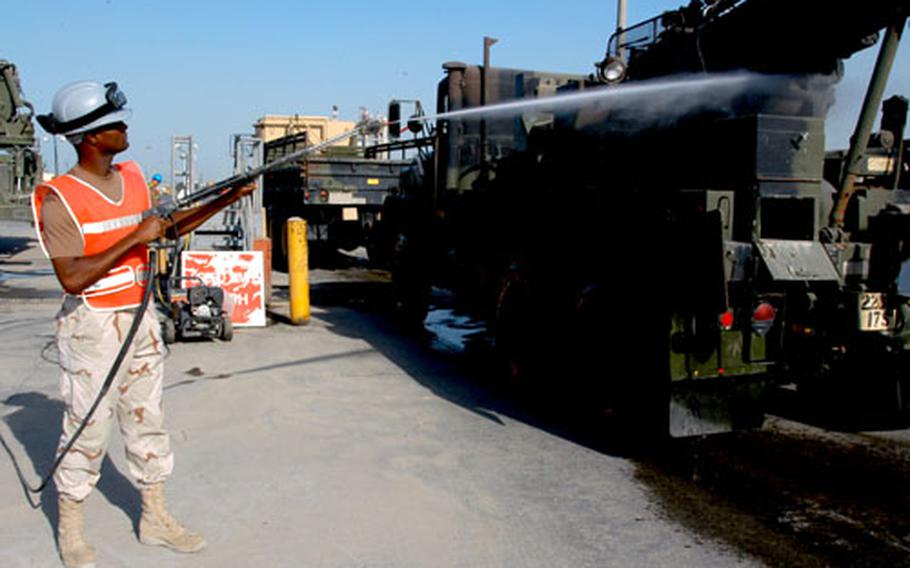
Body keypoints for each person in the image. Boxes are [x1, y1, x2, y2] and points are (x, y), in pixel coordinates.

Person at [32, 80, 254, 568]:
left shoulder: (132, 178)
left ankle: (154, 518)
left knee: (147, 421)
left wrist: (227, 198)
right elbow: (72, 277)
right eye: (115, 123)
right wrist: (136, 235)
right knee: (88, 428)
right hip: (91, 325)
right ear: (91, 137)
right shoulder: (59, 198)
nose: (126, 126)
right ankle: (71, 530)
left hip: (139, 320)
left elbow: (166, 228)